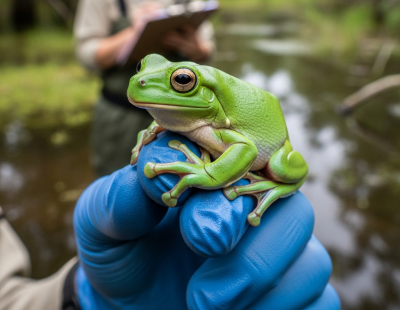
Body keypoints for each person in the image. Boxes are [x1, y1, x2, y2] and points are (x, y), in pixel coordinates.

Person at [0, 132, 341, 310]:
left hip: (266, 151)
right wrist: (86, 299)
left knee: (280, 172)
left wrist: (68, 296)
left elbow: (248, 150)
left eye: (181, 82)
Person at [73, 0, 215, 178]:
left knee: (178, 191)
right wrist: (133, 32)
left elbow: (208, 48)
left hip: (181, 119)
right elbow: (86, 55)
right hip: (119, 118)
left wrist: (197, 48)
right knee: (118, 201)